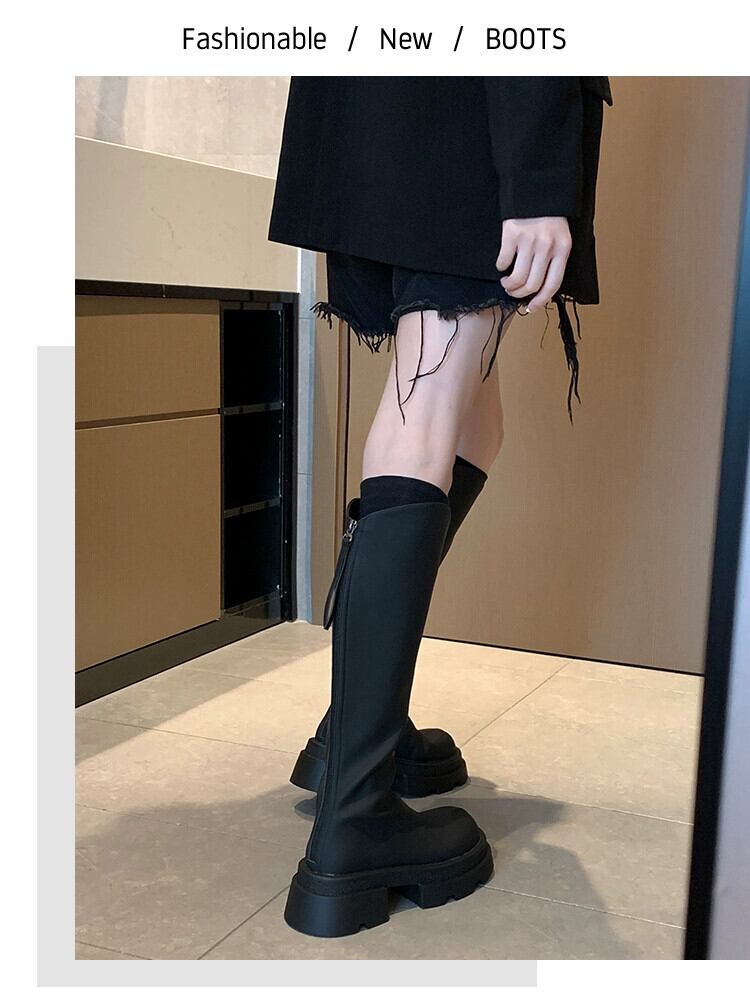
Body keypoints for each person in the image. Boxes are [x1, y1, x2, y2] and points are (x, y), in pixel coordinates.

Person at [267, 76, 612, 939]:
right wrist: (538, 177)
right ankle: (355, 820)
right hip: (466, 124)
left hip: (381, 119)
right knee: (427, 408)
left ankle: (355, 729)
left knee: (472, 423)